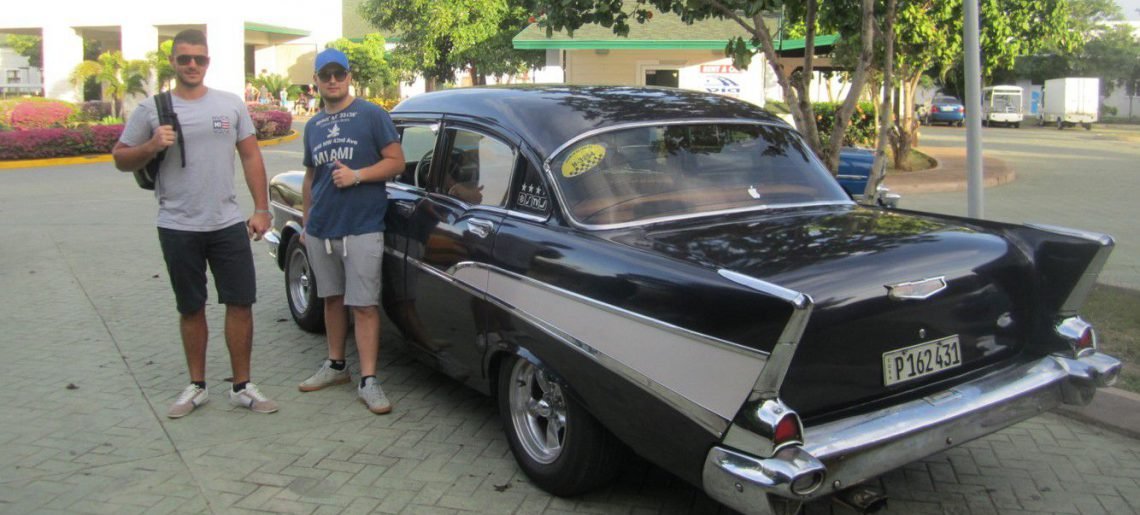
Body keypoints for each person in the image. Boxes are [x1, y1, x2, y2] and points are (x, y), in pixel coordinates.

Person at [112, 29, 278, 419]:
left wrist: (262, 208)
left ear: (207, 62)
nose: (192, 65)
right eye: (184, 58)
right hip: (177, 225)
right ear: (172, 61)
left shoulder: (230, 105)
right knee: (191, 307)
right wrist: (152, 145)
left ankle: (242, 386)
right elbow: (120, 158)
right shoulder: (153, 109)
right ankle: (197, 385)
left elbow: (251, 157)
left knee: (240, 302)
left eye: (199, 59)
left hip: (226, 223)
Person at [298, 48, 406, 414]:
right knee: (331, 298)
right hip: (321, 229)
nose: (332, 80)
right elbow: (311, 177)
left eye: (338, 74)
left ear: (348, 77)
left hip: (362, 227)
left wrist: (358, 175)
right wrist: (305, 220)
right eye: (325, 74)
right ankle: (336, 365)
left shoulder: (372, 115)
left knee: (363, 305)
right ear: (316, 80)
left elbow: (397, 162)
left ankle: (369, 380)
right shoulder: (312, 126)